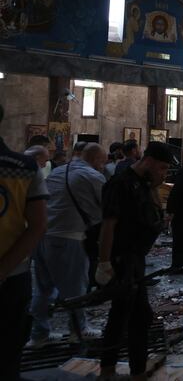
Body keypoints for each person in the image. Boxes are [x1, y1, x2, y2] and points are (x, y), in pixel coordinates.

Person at [95, 142, 171, 381]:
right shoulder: (120, 184)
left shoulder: (143, 185)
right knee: (128, 317)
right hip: (121, 259)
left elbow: (152, 217)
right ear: (147, 161)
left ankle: (131, 370)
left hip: (136, 258)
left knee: (134, 316)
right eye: (161, 168)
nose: (163, 174)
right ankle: (116, 370)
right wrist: (104, 263)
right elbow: (108, 225)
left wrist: (155, 186)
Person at [29, 142, 106, 346]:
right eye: (102, 161)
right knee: (76, 288)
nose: (102, 166)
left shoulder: (57, 172)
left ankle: (39, 334)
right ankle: (78, 330)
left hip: (43, 236)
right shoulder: (93, 176)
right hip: (69, 238)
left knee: (43, 288)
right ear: (96, 159)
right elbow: (107, 206)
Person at [0, 104, 49, 380]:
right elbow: (38, 225)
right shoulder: (24, 167)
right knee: (8, 352)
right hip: (13, 275)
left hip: (12, 275)